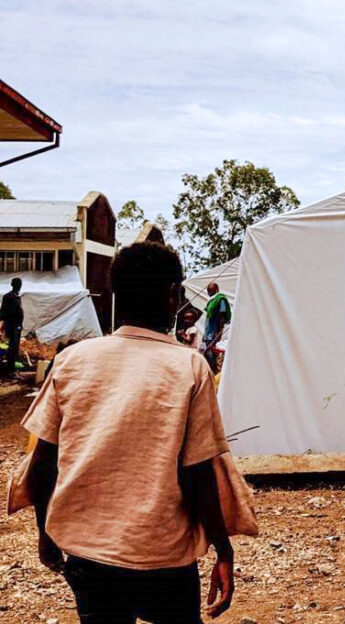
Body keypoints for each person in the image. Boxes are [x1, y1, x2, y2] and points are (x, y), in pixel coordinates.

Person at [14, 242, 256, 622]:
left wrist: (45, 533)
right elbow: (198, 473)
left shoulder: (71, 361)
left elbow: (43, 460)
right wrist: (222, 548)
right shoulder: (189, 368)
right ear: (173, 294)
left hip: (88, 552)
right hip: (164, 554)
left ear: (116, 293)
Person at [202, 282, 231, 372]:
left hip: (214, 332)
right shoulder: (211, 300)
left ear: (217, 289)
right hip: (208, 332)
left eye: (211, 290)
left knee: (213, 354)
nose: (209, 292)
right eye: (208, 290)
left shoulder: (220, 299)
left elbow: (222, 316)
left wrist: (219, 332)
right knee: (207, 353)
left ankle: (214, 372)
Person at [1, 277, 24, 376]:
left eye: (19, 284)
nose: (19, 286)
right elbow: (3, 312)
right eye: (17, 284)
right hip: (12, 326)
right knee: (12, 347)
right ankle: (9, 368)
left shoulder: (16, 297)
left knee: (15, 347)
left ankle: (11, 366)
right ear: (12, 285)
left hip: (17, 326)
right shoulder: (9, 297)